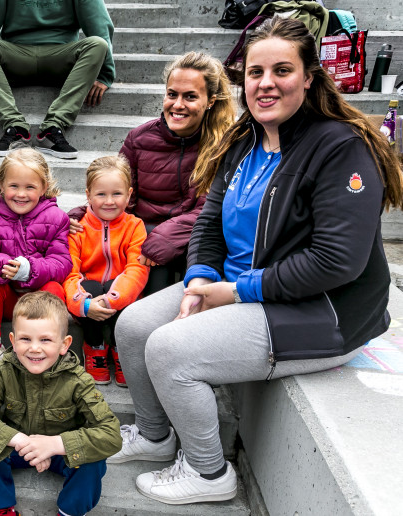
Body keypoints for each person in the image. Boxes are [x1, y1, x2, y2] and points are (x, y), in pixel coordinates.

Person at [110, 16, 403, 505]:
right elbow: (208, 222)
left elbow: (337, 261)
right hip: (238, 285)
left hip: (320, 309)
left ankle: (208, 474)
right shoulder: (245, 139)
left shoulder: (340, 148)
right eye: (254, 72)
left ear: (309, 77)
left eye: (281, 70)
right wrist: (201, 276)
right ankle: (155, 434)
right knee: (135, 325)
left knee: (169, 349)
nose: (265, 83)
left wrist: (235, 291)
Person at [69, 52, 235, 295]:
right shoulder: (139, 139)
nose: (178, 105)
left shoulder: (224, 145)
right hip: (141, 237)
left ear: (210, 100)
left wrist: (163, 237)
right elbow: (120, 194)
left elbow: (210, 209)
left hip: (192, 238)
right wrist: (83, 213)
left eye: (190, 96)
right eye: (172, 94)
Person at [0, 291, 122, 516]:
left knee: (94, 461)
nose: (34, 348)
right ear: (12, 340)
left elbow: (111, 434)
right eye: (25, 339)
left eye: (45, 340)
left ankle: (69, 511)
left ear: (64, 344)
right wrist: (20, 440)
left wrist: (55, 445)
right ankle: (2, 508)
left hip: (62, 452)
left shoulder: (78, 380)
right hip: (16, 447)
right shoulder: (5, 369)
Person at [0, 0, 115, 159]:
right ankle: (15, 126)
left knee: (98, 44)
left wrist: (104, 74)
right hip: (16, 57)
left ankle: (53, 127)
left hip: (62, 58)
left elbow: (100, 28)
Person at [0, 147, 71, 363]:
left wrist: (31, 269)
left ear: (44, 187)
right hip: (7, 298)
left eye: (30, 187)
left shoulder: (56, 218)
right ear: (2, 185)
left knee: (55, 290)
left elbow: (61, 262)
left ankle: (49, 344)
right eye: (13, 186)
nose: (21, 194)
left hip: (38, 297)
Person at [63, 155, 148, 387]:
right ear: (88, 195)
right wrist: (84, 304)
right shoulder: (77, 228)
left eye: (117, 194)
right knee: (88, 287)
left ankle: (121, 351)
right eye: (101, 194)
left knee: (115, 285)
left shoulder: (134, 226)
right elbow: (69, 273)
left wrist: (111, 300)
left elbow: (136, 270)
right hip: (88, 304)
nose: (109, 201)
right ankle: (95, 348)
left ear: (129, 194)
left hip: (121, 299)